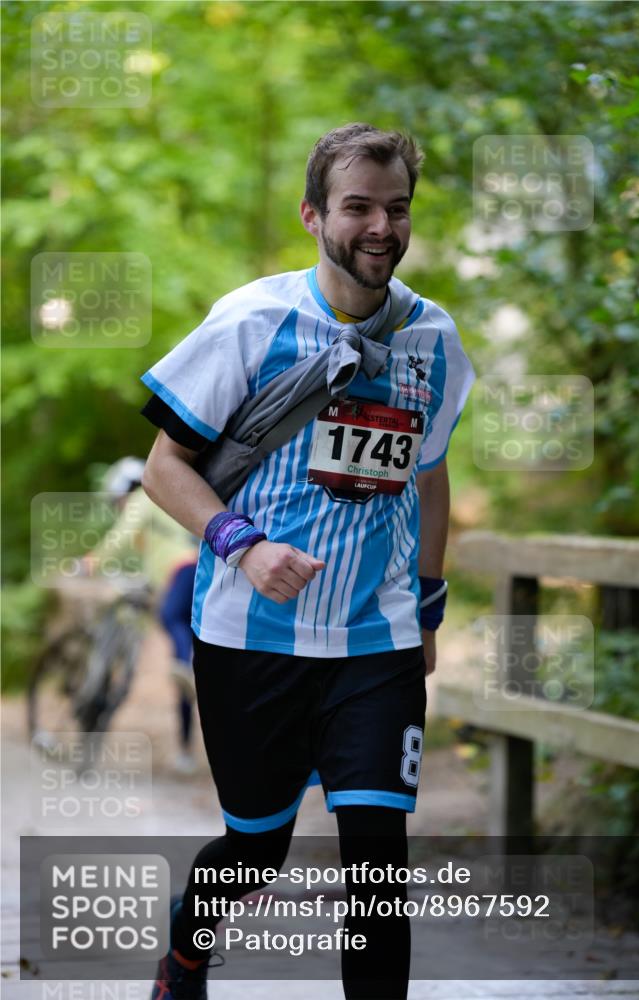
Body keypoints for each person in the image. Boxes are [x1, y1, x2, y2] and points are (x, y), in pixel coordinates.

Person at [141, 123, 475, 999]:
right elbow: (164, 468)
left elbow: (429, 479)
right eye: (357, 206)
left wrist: (429, 608)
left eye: (396, 208)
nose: (379, 227)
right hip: (251, 638)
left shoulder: (433, 342)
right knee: (255, 846)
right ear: (312, 215)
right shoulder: (252, 322)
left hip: (377, 644)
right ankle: (184, 958)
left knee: (377, 867)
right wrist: (241, 548)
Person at [82, 456, 200, 774]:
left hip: (183, 570)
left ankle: (186, 667)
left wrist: (91, 562)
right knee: (182, 658)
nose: (120, 508)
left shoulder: (142, 498)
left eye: (117, 502)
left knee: (170, 619)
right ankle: (186, 750)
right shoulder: (165, 502)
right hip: (197, 572)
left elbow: (120, 538)